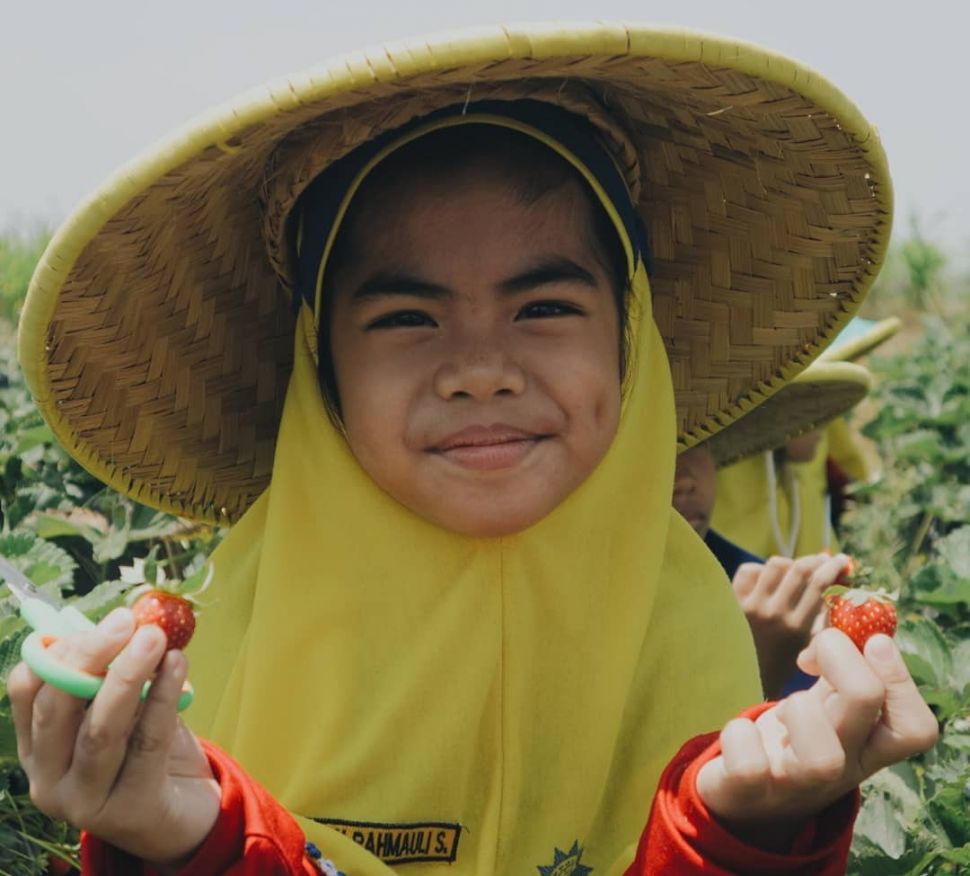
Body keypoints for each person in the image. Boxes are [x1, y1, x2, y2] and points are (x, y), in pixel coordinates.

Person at [8, 23, 937, 875]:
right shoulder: (201, 668)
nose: (481, 370)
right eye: (407, 317)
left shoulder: (691, 634)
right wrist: (183, 840)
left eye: (544, 308)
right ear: (320, 367)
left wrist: (743, 832)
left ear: (632, 340)